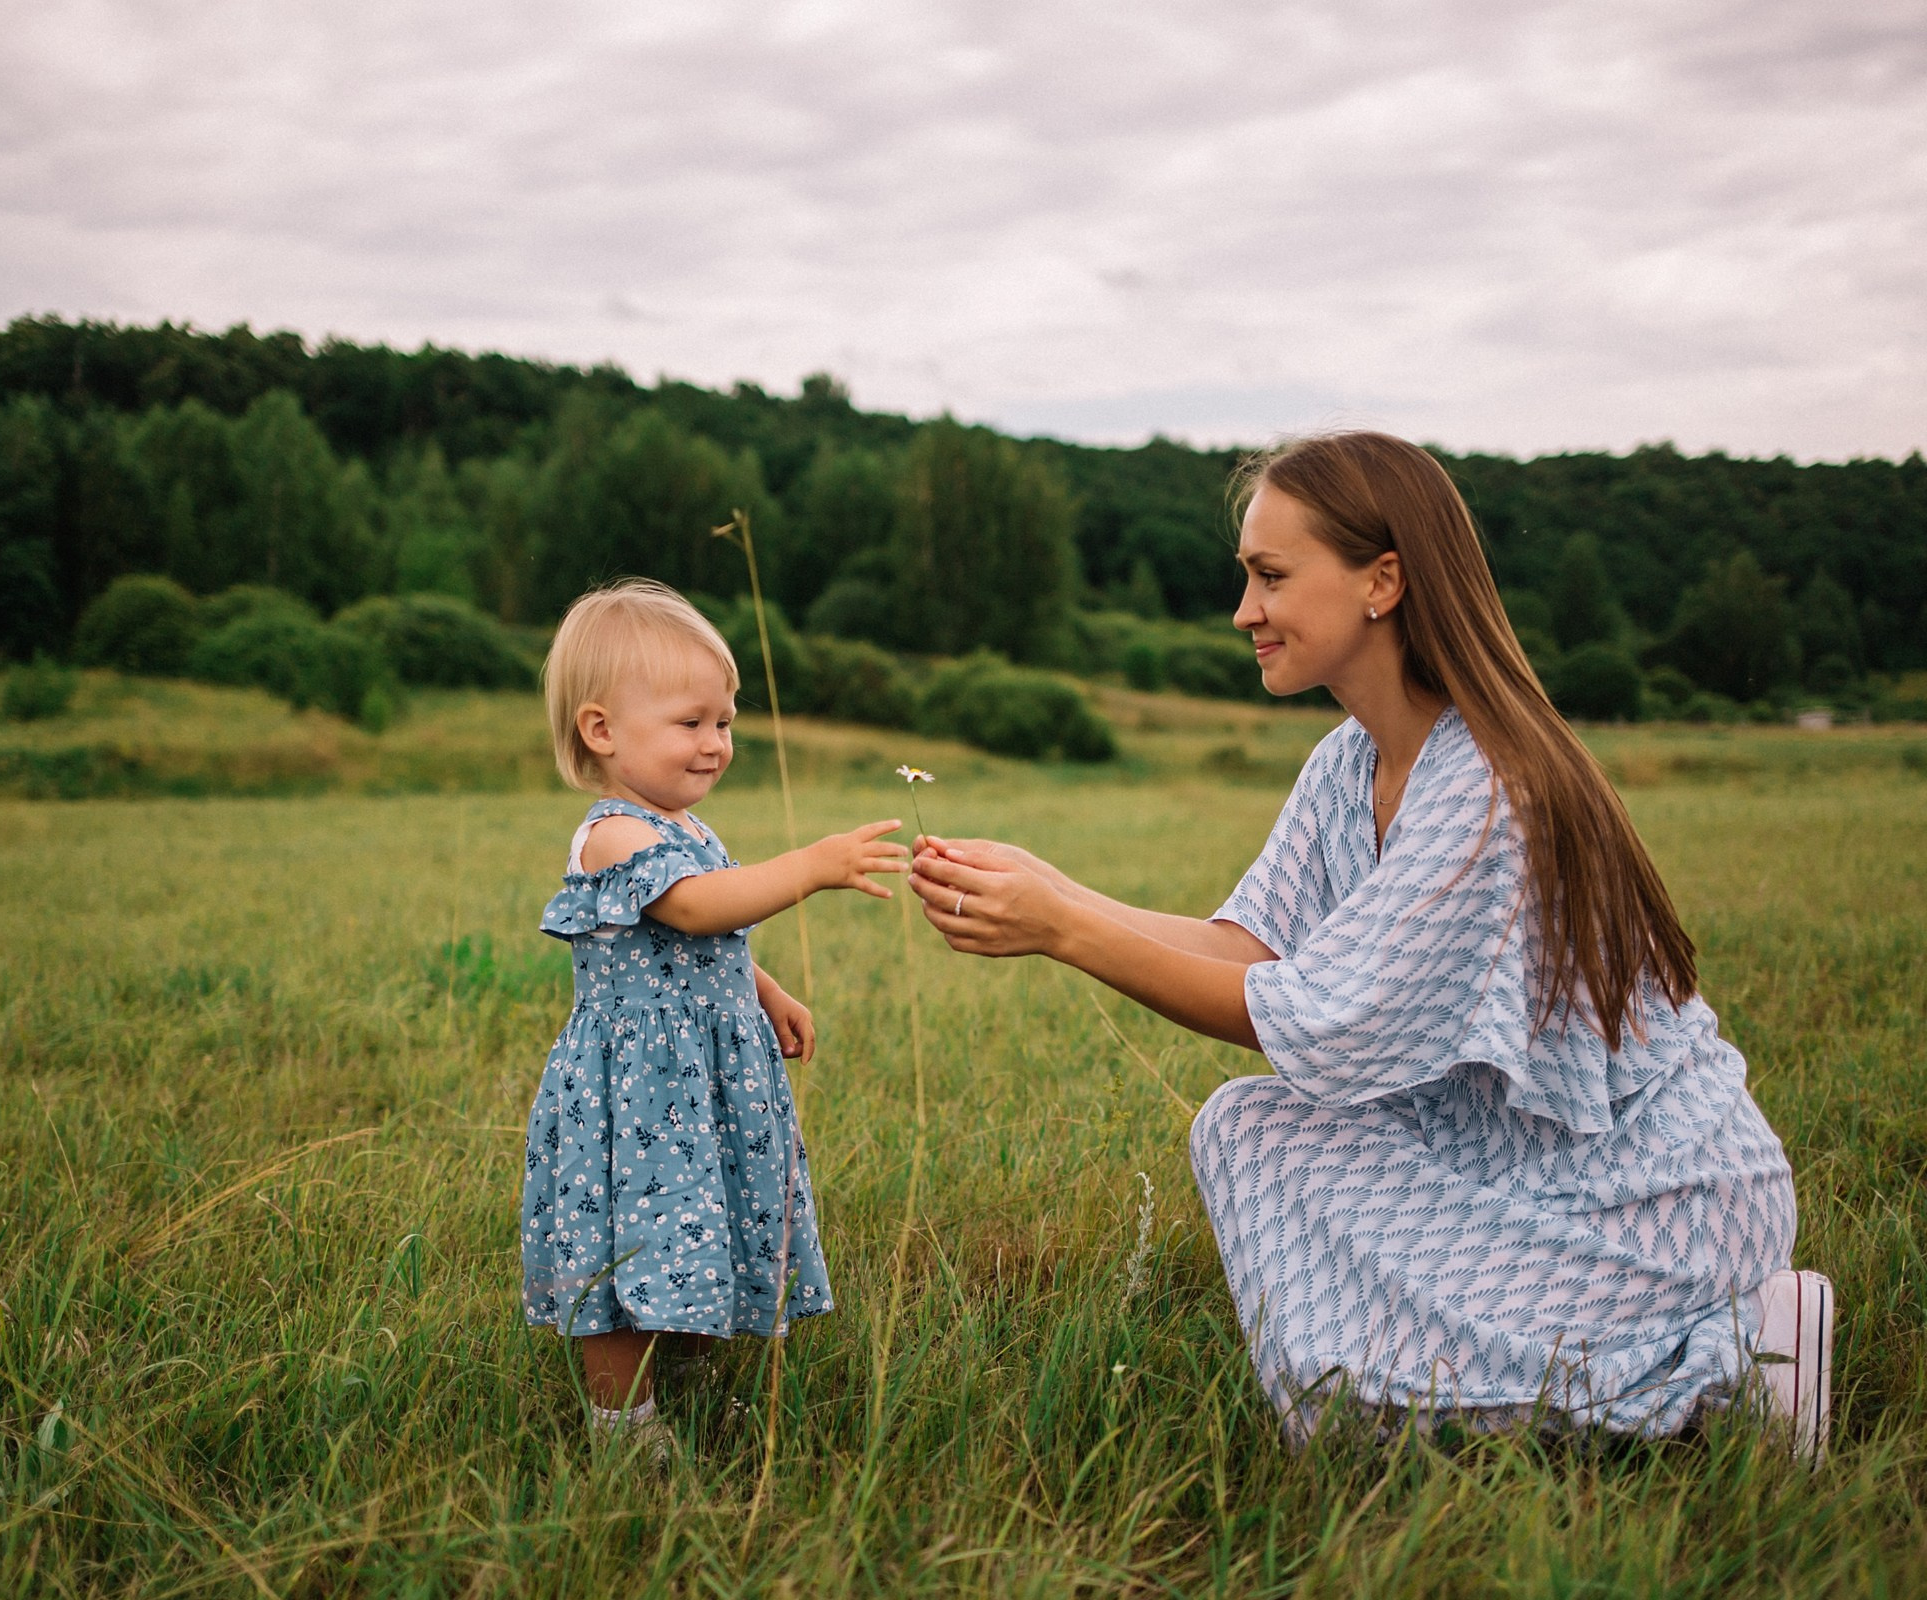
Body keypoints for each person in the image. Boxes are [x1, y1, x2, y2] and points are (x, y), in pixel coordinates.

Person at [909, 433, 1834, 1459]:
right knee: (1251, 1133)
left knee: (1374, 1388)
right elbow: (1246, 945)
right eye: (1245, 578)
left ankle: (1736, 1357)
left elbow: (1312, 1019)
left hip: (1650, 1197)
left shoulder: (1488, 786)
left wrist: (1066, 928)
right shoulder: (1351, 759)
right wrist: (1048, 888)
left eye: (1270, 577)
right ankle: (1417, 1406)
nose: (1243, 611)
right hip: (1509, 1171)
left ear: (1381, 580)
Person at [524, 579, 907, 1453]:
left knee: (700, 1218)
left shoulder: (688, 827)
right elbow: (694, 908)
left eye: (725, 722)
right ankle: (623, 1425)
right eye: (690, 722)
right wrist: (809, 864)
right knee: (628, 1243)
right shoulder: (615, 833)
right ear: (601, 730)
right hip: (640, 1094)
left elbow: (711, 938)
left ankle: (688, 1376)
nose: (716, 743)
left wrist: (766, 991)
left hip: (699, 1082)